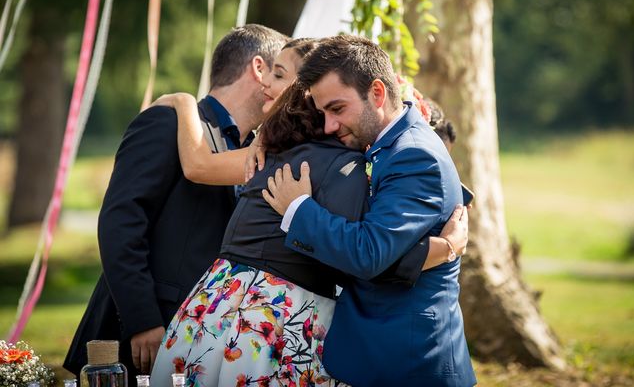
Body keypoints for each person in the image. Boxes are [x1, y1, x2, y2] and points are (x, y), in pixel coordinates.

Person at [149, 80, 468, 387]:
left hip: (214, 302)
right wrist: (448, 247)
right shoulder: (342, 167)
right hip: (270, 315)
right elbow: (372, 254)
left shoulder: (273, 153)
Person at [63, 24, 289, 384]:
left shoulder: (257, 150)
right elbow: (120, 224)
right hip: (146, 334)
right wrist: (143, 320)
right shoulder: (168, 123)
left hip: (207, 339)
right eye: (280, 72)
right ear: (259, 69)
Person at [262, 35, 477, 386]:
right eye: (323, 113)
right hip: (381, 355)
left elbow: (369, 252)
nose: (329, 125)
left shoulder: (413, 155)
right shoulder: (386, 144)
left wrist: (299, 209)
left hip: (407, 361)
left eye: (337, 109)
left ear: (377, 93)